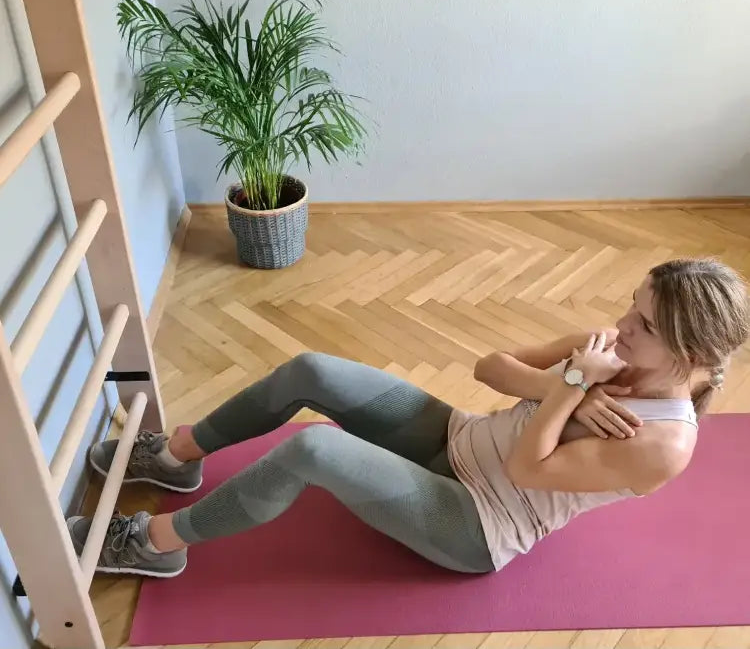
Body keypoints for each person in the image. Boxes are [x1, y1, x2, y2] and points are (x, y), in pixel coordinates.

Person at [67, 257, 749, 577]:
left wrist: (570, 387)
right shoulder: (607, 351)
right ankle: (177, 457)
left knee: (314, 451)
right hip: (457, 439)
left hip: (477, 522)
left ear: (689, 355)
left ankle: (155, 544)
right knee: (312, 369)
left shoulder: (663, 445)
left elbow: (525, 468)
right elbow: (490, 367)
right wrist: (567, 385)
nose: (623, 324)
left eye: (644, 324)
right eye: (632, 305)